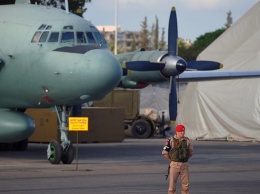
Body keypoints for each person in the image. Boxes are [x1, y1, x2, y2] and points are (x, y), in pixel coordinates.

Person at [162, 124, 194, 194]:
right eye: (181, 131)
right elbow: (165, 152)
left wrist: (184, 158)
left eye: (183, 131)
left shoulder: (187, 141)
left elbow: (191, 152)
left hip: (184, 165)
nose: (182, 132)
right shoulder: (171, 140)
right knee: (172, 187)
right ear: (177, 132)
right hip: (174, 165)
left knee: (185, 187)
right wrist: (171, 160)